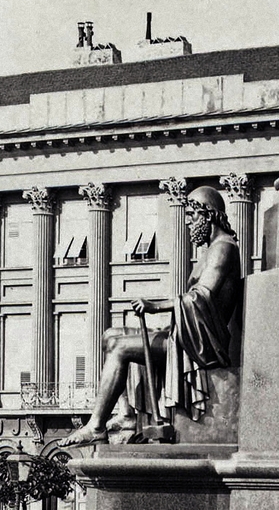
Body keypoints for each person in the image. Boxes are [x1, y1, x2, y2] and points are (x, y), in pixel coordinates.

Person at [63, 185, 243, 445]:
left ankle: (96, 425)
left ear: (209, 214)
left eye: (192, 215)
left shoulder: (223, 248)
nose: (188, 222)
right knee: (109, 335)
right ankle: (126, 414)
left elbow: (202, 296)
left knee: (119, 347)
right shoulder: (210, 250)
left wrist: (155, 306)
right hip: (187, 336)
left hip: (203, 347)